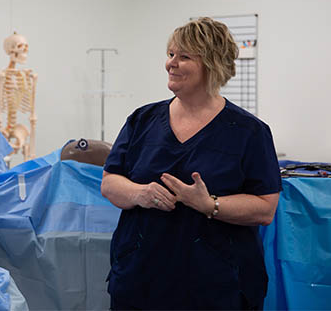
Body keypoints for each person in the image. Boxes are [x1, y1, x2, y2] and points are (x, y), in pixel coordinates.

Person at [101, 17, 281, 310]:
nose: (171, 63)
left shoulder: (249, 132)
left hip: (216, 285)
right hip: (141, 278)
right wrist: (141, 194)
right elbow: (110, 182)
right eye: (171, 54)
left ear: (212, 65)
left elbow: (265, 208)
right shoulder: (142, 120)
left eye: (184, 56)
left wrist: (209, 204)